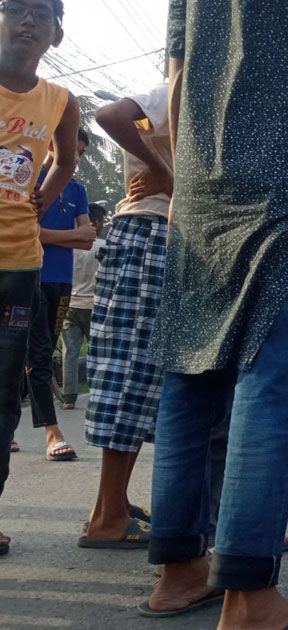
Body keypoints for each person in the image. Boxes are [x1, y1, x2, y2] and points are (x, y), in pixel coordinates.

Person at [143, 2, 288, 627]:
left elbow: (179, 75)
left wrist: (186, 190)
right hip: (285, 192)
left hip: (201, 194)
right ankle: (249, 598)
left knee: (189, 381)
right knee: (270, 383)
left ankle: (179, 573)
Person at [0, 0, 81, 557]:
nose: (27, 20)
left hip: (19, 264)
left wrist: (38, 202)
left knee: (4, 394)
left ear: (56, 34)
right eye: (15, 8)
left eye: (41, 13)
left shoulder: (59, 101)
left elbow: (66, 161)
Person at [79, 84, 170, 549]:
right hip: (152, 230)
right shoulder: (180, 86)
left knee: (144, 375)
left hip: (162, 234)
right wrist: (164, 171)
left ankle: (115, 504)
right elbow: (111, 115)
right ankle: (107, 514)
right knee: (131, 372)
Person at [23, 127, 91, 461]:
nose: (75, 157)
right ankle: (53, 432)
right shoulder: (32, 181)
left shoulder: (78, 189)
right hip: (29, 275)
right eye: (71, 148)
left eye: (80, 152)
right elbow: (27, 231)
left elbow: (89, 238)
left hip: (63, 282)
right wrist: (70, 235)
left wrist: (52, 235)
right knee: (36, 356)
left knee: (44, 352)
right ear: (51, 142)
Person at [60, 202, 106, 410]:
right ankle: (98, 394)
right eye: (102, 221)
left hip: (70, 304)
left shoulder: (68, 247)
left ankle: (69, 397)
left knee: (70, 352)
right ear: (94, 223)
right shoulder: (102, 248)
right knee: (99, 352)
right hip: (94, 306)